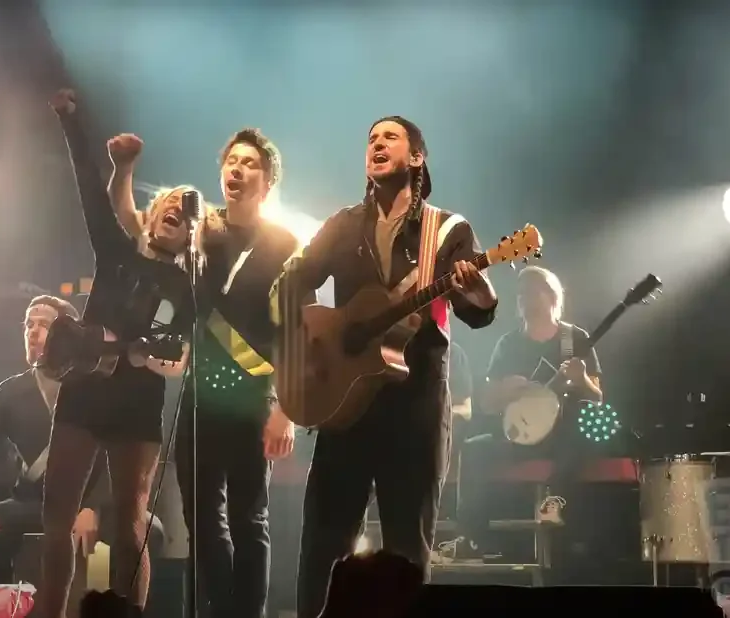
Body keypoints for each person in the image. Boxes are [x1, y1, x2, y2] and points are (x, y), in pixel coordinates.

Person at [276, 115, 498, 618]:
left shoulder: (446, 229)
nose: (376, 144)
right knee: (323, 547)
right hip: (345, 403)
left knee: (405, 548)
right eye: (371, 139)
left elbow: (479, 311)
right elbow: (294, 285)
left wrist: (478, 288)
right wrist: (318, 336)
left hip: (414, 403)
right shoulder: (343, 224)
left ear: (416, 158)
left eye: (389, 138)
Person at [108, 128, 297, 618]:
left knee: (249, 520)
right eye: (231, 161)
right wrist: (123, 170)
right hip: (199, 401)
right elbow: (134, 222)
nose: (237, 169)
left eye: (249, 163)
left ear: (268, 180)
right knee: (202, 521)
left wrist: (284, 407)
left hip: (255, 399)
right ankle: (220, 610)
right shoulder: (200, 231)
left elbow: (291, 332)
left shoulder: (285, 244)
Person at [39, 89, 195, 617]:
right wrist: (70, 120)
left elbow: (170, 348)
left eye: (186, 211)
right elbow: (89, 187)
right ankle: (51, 613)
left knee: (131, 522)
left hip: (136, 404)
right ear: (152, 216)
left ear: (192, 234)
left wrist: (125, 348)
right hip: (84, 393)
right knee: (56, 514)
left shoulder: (185, 289)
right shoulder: (115, 248)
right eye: (170, 201)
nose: (177, 208)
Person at [436, 265, 602, 562]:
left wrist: (583, 380)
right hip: (518, 434)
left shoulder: (573, 338)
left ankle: (557, 498)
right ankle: (472, 539)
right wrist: (508, 390)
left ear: (552, 295)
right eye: (521, 293)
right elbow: (486, 403)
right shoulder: (508, 344)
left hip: (561, 436)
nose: (525, 298)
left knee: (582, 421)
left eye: (533, 290)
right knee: (474, 450)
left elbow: (598, 397)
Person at [0, 295, 112, 584]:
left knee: (151, 532)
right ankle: (5, 607)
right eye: (28, 325)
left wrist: (93, 507)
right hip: (35, 505)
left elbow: (116, 451)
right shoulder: (11, 392)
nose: (32, 332)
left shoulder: (98, 387)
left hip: (90, 503)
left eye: (44, 325)